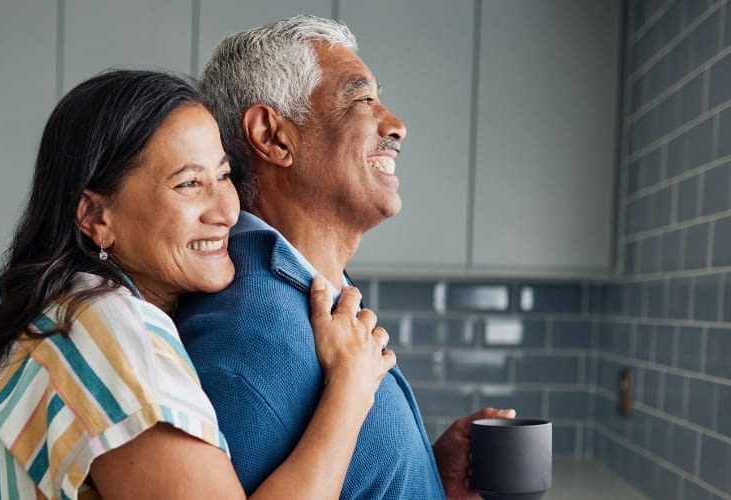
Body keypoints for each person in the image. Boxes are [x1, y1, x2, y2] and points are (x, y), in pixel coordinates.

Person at [0, 69, 398, 500]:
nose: (227, 211)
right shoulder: (112, 334)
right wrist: (350, 390)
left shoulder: (74, 313)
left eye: (224, 175)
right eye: (188, 184)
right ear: (96, 216)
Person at [175, 15, 515, 500]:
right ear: (273, 137)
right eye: (362, 100)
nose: (397, 126)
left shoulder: (312, 296)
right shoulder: (247, 337)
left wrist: (428, 480)